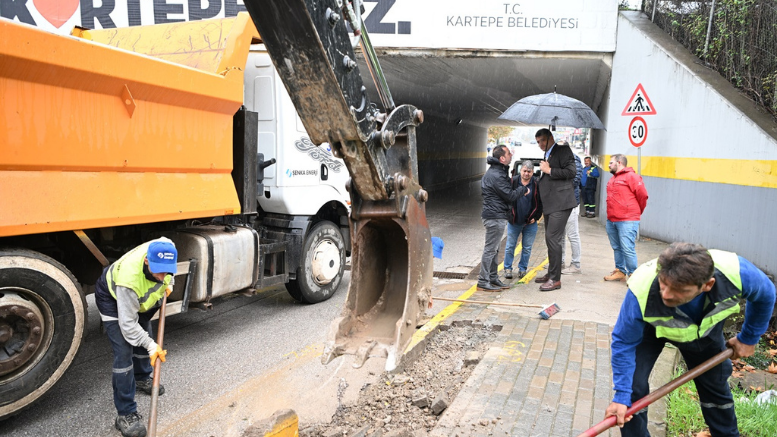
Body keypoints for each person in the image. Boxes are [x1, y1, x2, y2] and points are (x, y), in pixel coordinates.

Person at [606, 242, 776, 436]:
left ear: (707, 285)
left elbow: (766, 294)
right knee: (632, 389)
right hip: (650, 331)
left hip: (704, 333)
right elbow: (624, 342)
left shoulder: (737, 274)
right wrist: (621, 395)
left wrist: (749, 338)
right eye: (663, 283)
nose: (665, 294)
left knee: (715, 384)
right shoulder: (642, 289)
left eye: (679, 289)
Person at [95, 238, 177, 437]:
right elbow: (128, 325)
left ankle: (141, 379)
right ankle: (125, 413)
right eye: (159, 271)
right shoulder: (129, 281)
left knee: (145, 332)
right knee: (124, 352)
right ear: (147, 261)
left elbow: (166, 267)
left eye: (167, 271)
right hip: (111, 297)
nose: (162, 277)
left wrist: (170, 282)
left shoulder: (167, 248)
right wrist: (151, 345)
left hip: (139, 298)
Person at [479, 145, 529, 291]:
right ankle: (483, 281)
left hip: (497, 215)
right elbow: (509, 195)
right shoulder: (496, 175)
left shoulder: (498, 172)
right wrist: (523, 189)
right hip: (494, 216)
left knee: (495, 250)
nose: (510, 155)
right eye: (508, 153)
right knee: (490, 250)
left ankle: (493, 278)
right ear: (502, 158)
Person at [533, 129, 577, 291]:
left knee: (553, 239)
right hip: (550, 204)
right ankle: (551, 273)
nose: (540, 144)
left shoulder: (563, 150)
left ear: (551, 138)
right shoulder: (547, 154)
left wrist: (549, 170)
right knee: (549, 239)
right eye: (538, 142)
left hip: (561, 203)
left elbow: (571, 172)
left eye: (543, 140)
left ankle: (555, 279)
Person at [604, 154, 648, 282]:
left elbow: (643, 196)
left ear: (619, 163)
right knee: (617, 247)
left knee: (627, 248)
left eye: (611, 163)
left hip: (627, 220)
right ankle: (620, 271)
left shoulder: (632, 177)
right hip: (612, 220)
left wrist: (636, 212)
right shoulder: (613, 179)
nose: (609, 165)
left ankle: (633, 275)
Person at [504, 160, 543, 280]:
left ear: (532, 172)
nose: (526, 173)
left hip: (530, 223)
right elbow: (506, 198)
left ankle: (522, 269)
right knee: (510, 246)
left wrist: (536, 217)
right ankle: (507, 268)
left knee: (527, 248)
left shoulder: (537, 184)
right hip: (514, 222)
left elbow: (541, 202)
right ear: (520, 170)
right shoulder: (513, 182)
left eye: (529, 171)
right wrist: (509, 215)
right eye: (524, 171)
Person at [561, 152, 583, 275]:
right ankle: (560, 261)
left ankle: (576, 264)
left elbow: (574, 181)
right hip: (560, 204)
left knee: (572, 235)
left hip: (571, 203)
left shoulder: (575, 161)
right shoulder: (559, 160)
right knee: (560, 235)